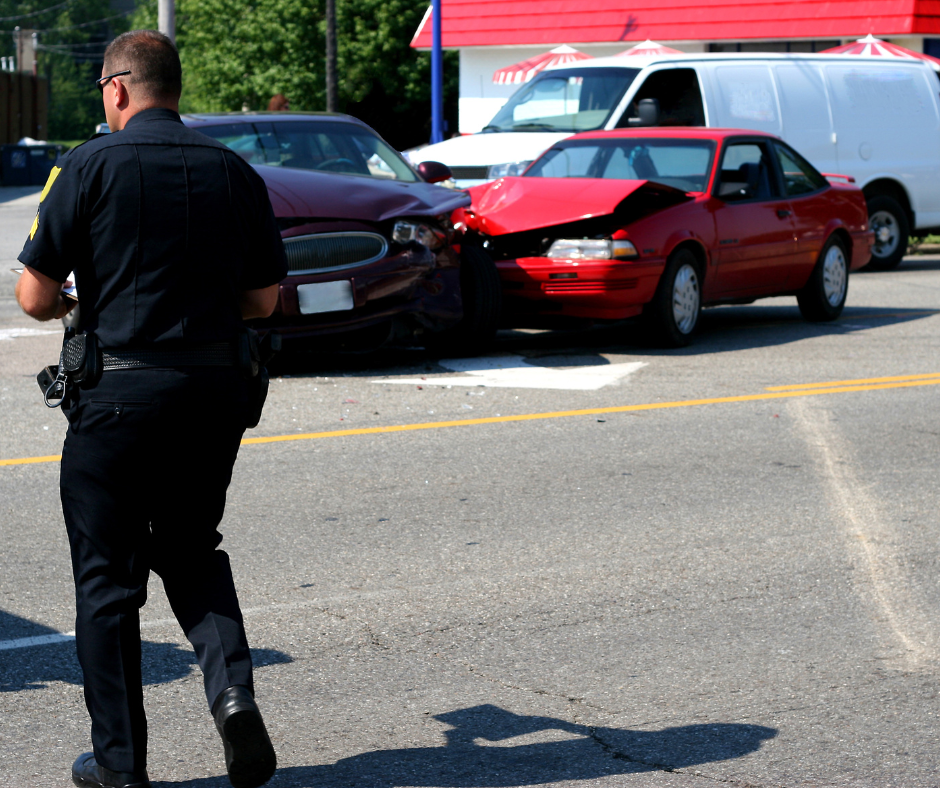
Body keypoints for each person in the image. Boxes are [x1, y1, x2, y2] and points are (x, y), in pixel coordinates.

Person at [14, 30, 287, 788]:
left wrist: (83, 292)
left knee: (107, 583)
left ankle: (121, 768)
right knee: (194, 550)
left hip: (116, 401)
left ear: (116, 89)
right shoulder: (234, 171)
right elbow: (262, 300)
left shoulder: (89, 164)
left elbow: (35, 295)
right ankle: (233, 694)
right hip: (211, 398)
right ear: (174, 88)